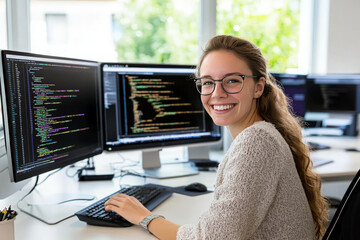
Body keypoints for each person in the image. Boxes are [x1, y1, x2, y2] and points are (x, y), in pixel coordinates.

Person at [104, 35, 329, 239]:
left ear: (258, 87)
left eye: (232, 80)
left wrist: (145, 217)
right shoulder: (261, 133)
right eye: (208, 82)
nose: (217, 93)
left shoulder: (257, 142)